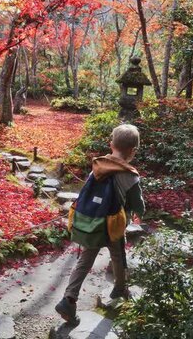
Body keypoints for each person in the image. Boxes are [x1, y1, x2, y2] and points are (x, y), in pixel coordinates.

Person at [55, 124, 145, 324]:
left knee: (84, 261)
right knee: (118, 256)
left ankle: (69, 299)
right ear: (133, 151)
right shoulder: (130, 175)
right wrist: (138, 214)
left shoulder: (98, 165)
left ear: (111, 144)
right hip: (113, 226)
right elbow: (137, 204)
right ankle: (119, 289)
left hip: (92, 223)